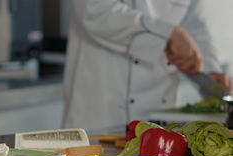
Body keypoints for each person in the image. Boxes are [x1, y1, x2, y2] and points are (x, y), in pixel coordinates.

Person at [62, 0, 233, 134]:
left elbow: (195, 27)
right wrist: (168, 34)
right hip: (103, 110)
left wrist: (210, 70)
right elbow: (94, 9)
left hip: (160, 113)